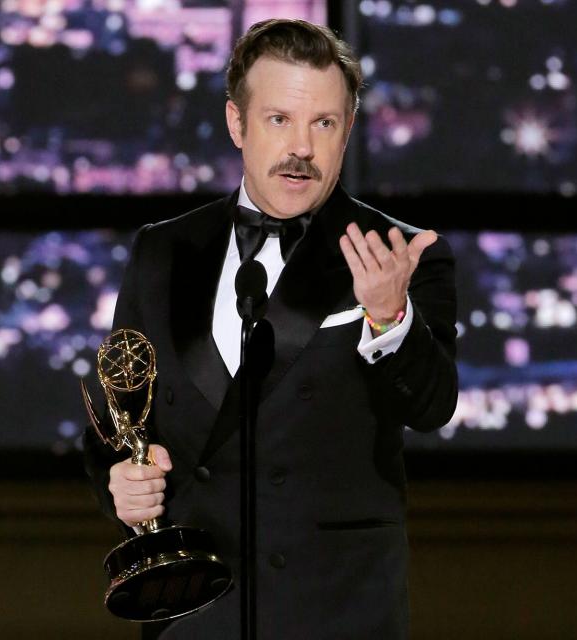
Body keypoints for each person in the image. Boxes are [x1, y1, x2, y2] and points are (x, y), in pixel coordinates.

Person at [84, 18, 458, 639]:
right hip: (195, 613)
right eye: (280, 120)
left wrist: (391, 318)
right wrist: (118, 487)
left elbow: (432, 404)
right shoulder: (162, 252)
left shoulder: (401, 253)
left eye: (324, 124)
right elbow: (114, 422)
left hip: (336, 612)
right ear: (238, 124)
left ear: (348, 131)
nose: (302, 149)